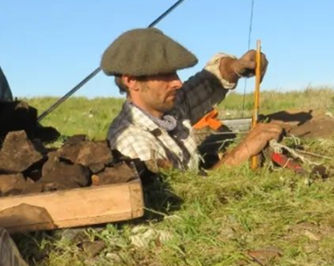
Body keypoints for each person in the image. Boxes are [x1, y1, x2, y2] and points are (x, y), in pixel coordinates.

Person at [102, 28, 284, 170]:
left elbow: (210, 81)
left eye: (174, 73)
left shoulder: (169, 107)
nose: (177, 82)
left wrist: (237, 66)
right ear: (132, 81)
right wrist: (242, 152)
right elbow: (185, 203)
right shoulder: (132, 143)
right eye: (165, 75)